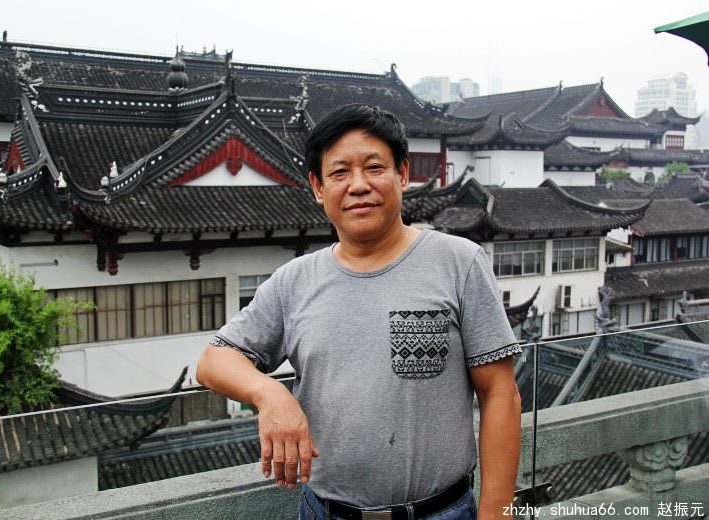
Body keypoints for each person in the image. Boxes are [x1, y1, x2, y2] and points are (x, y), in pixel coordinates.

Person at [196, 103, 521, 520]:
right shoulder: (294, 281)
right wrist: (270, 393)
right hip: (325, 512)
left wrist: (498, 513)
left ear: (402, 174)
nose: (358, 186)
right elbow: (213, 360)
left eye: (374, 167)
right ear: (318, 187)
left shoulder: (459, 263)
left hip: (441, 512)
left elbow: (500, 394)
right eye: (339, 173)